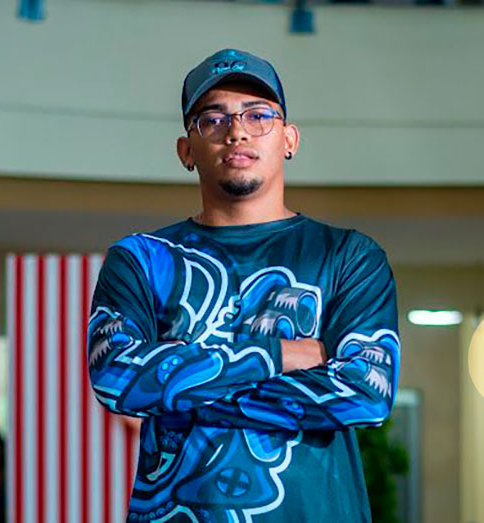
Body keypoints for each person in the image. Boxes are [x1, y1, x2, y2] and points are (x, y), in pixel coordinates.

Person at [88, 48, 401, 522]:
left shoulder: (349, 256)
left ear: (289, 139)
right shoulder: (140, 259)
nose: (236, 131)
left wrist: (178, 389)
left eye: (258, 115)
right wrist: (280, 356)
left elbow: (366, 394)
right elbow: (115, 378)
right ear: (186, 151)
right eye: (213, 119)